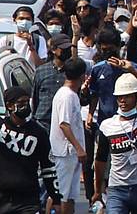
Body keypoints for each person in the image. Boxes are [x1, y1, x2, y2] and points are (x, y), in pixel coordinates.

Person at [0, 51, 62, 214]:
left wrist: (56, 198)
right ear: (10, 106)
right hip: (2, 199)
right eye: (21, 103)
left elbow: (48, 168)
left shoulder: (38, 133)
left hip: (28, 200)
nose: (25, 106)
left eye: (27, 102)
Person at [93, 57, 137, 213]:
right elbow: (100, 160)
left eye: (127, 96)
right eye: (119, 97)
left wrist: (134, 72)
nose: (122, 100)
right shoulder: (107, 126)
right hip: (117, 190)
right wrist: (98, 190)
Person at [49, 58, 88, 214]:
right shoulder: (66, 96)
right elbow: (64, 125)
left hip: (72, 155)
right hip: (64, 153)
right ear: (82, 76)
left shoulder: (73, 95)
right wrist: (79, 148)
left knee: (70, 195)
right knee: (60, 195)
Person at [32, 34, 72, 131]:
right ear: (54, 50)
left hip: (65, 122)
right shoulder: (41, 71)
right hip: (44, 122)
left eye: (68, 48)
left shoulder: (72, 71)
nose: (66, 51)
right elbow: (35, 98)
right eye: (63, 49)